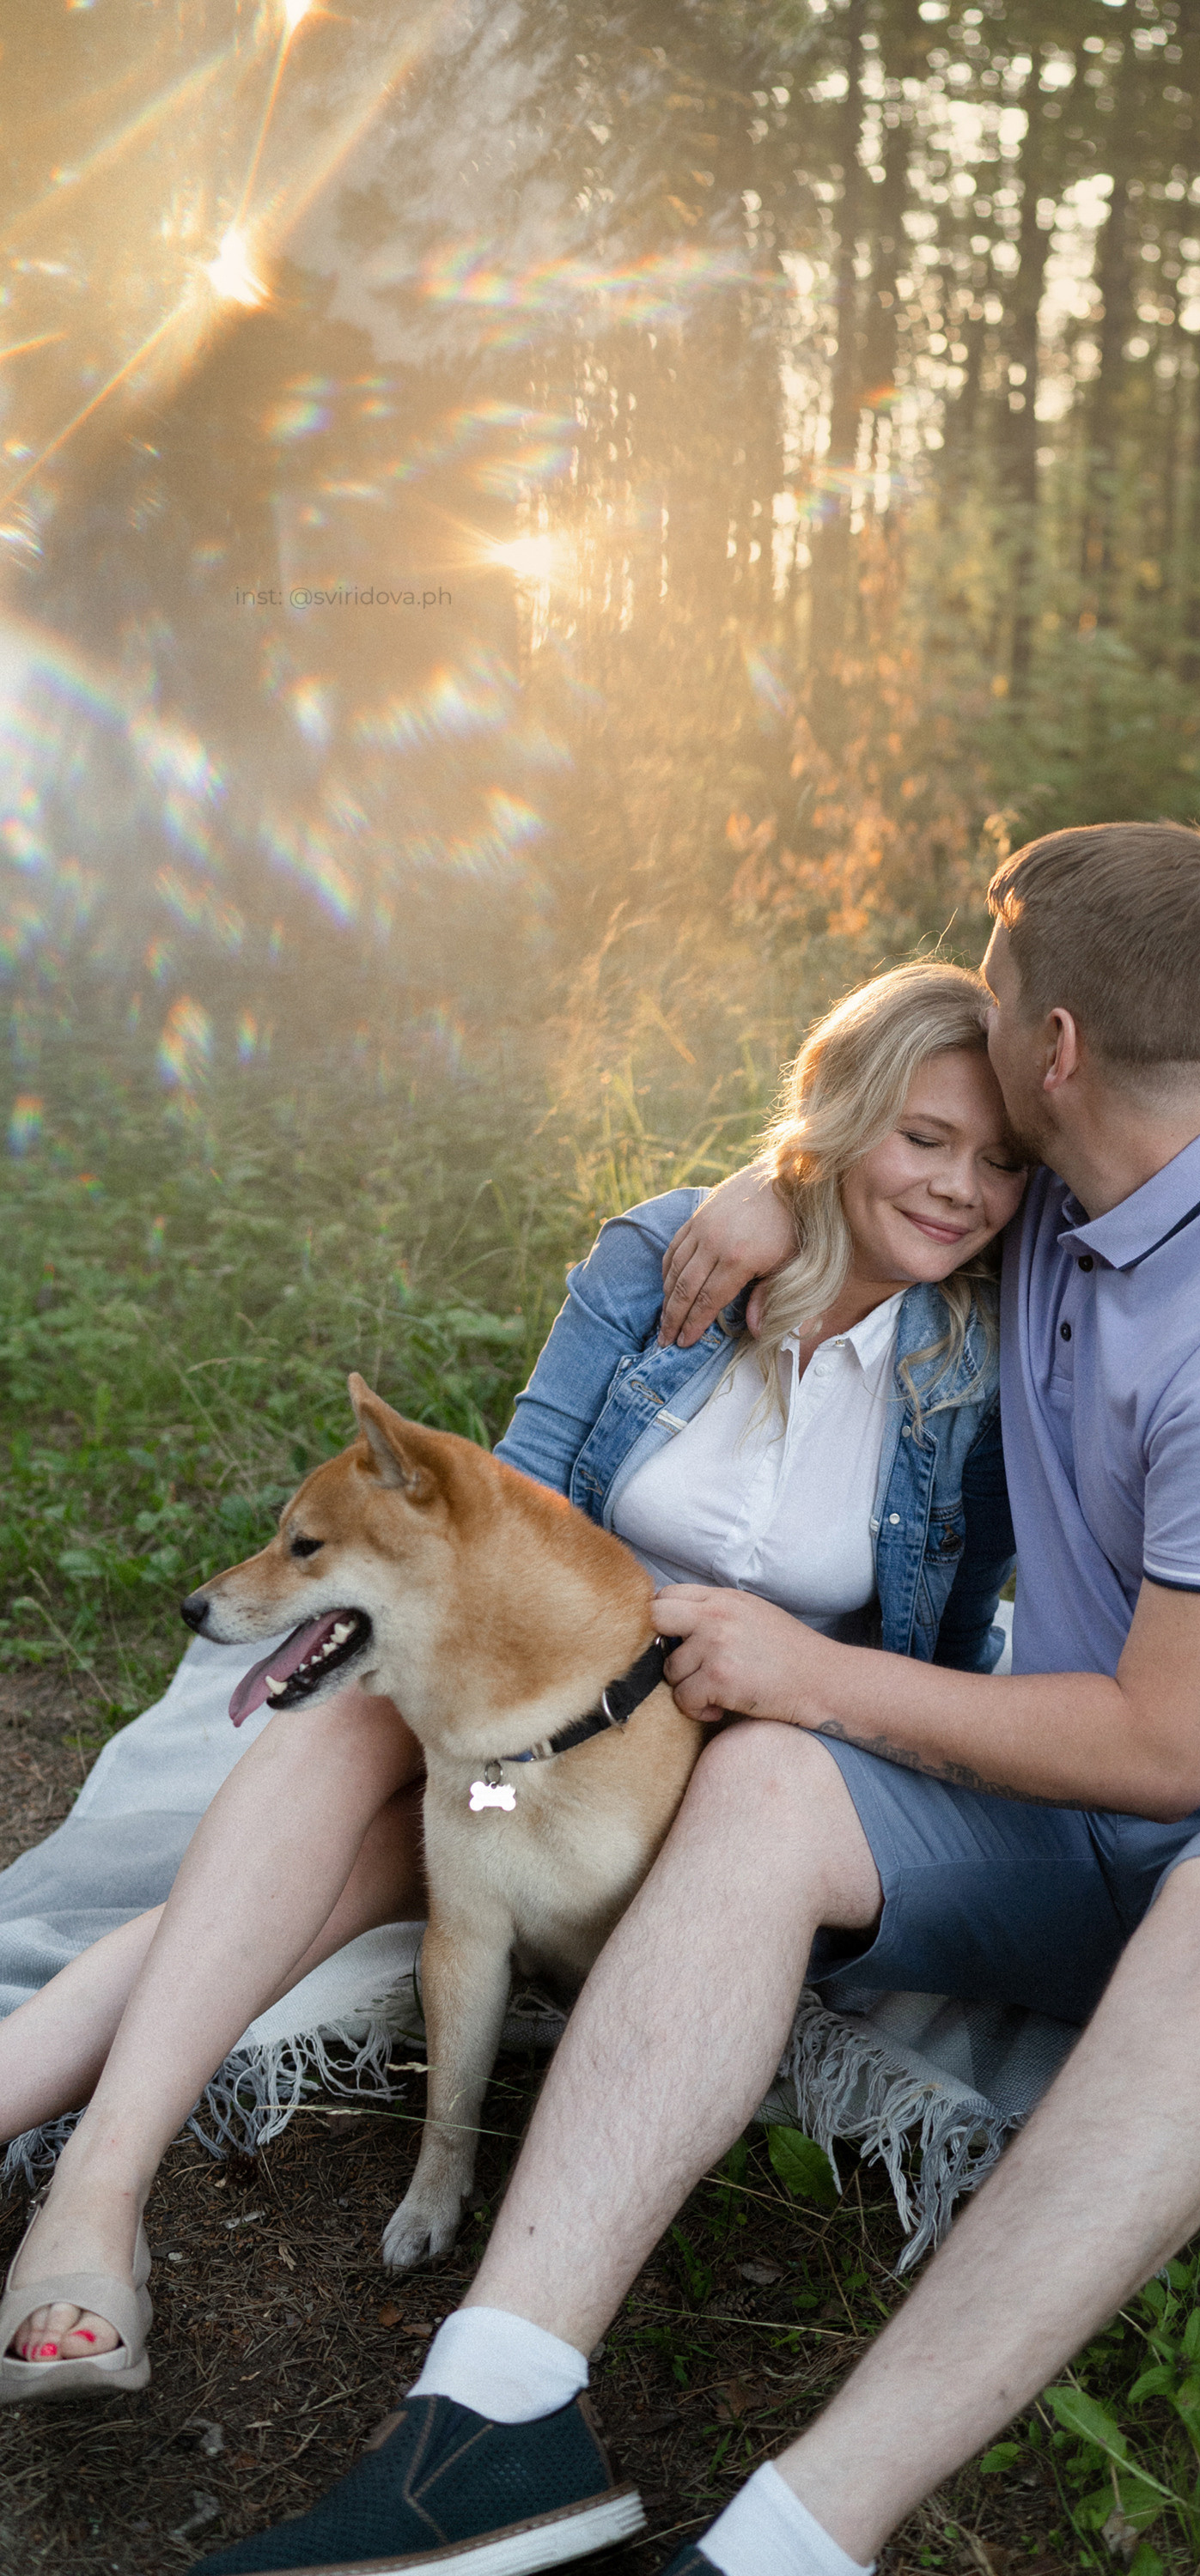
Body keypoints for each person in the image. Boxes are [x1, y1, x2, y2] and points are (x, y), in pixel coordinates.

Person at [185, 818, 1200, 2576]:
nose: (980, 1039)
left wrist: (824, 1669)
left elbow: (1166, 1750)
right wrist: (762, 1189)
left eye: (999, 999)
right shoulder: (1077, 1198)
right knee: (764, 1788)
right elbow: (895, 1154)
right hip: (1092, 1824)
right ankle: (495, 2420)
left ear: (1054, 1050)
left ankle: (794, 2541)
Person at [0, 961, 1026, 2400]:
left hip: (730, 1755)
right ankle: (91, 2201)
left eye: (999, 1159)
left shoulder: (988, 1358)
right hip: (515, 1724)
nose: (961, 1188)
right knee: (346, 1755)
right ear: (842, 1119)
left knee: (361, 1842)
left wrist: (798, 1688)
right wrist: (762, 1189)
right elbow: (507, 1514)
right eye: (922, 1137)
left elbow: (932, 1648)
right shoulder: (667, 1261)